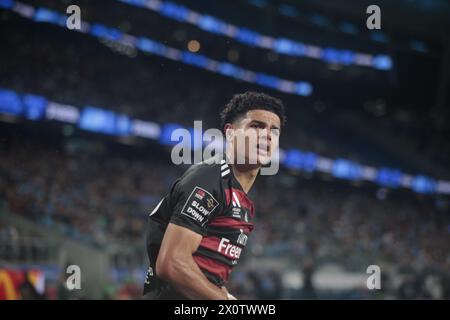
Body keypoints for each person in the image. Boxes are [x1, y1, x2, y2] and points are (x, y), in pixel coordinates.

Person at [142, 91, 286, 300]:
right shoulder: (210, 179)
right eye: (256, 126)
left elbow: (205, 271)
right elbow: (172, 263)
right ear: (230, 133)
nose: (267, 135)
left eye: (274, 130)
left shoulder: (242, 201)